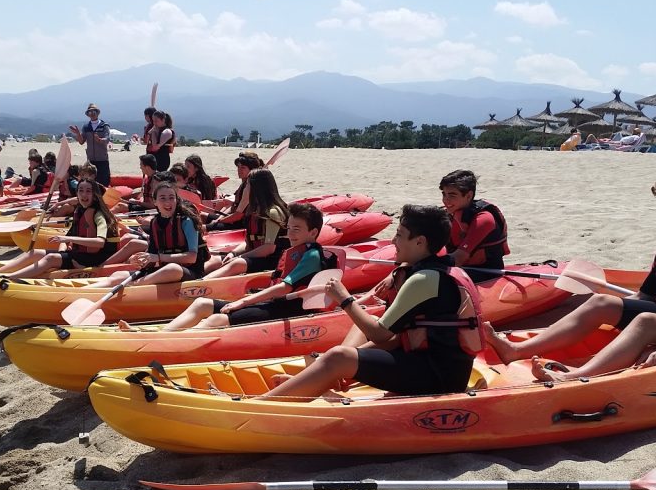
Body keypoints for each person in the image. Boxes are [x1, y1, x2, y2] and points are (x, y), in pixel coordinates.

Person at [485, 160, 656, 382]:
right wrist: (613, 315)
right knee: (602, 302)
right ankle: (516, 350)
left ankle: (574, 377)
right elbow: (645, 296)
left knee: (647, 322)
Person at [259, 204, 484, 400]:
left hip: (439, 377)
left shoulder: (424, 279)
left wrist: (345, 299)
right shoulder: (432, 271)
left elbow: (380, 335)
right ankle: (327, 376)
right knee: (347, 346)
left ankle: (261, 405)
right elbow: (395, 338)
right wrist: (339, 363)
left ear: (419, 242)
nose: (393, 241)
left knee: (339, 356)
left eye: (399, 235)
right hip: (428, 364)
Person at [163, 203, 337, 331]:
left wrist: (243, 301)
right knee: (202, 303)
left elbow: (284, 288)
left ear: (313, 232)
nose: (290, 234)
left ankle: (169, 345)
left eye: (296, 229)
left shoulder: (312, 255)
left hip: (286, 310)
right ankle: (164, 335)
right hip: (273, 303)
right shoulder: (296, 250)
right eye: (289, 228)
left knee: (218, 319)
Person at [0, 177, 120, 279]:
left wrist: (66, 241)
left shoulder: (99, 214)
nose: (84, 194)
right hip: (81, 253)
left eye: (88, 191)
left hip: (96, 258)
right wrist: (63, 250)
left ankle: (8, 277)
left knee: (50, 258)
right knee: (35, 252)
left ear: (94, 195)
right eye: (81, 190)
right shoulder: (80, 210)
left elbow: (100, 242)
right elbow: (69, 235)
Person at [96, 182, 209, 288]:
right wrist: (141, 261)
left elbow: (192, 258)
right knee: (118, 275)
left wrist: (159, 257)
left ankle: (133, 286)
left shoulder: (187, 221)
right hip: (163, 269)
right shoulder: (155, 223)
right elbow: (152, 255)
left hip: (188, 272)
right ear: (155, 202)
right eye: (162, 198)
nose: (168, 202)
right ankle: (88, 292)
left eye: (171, 198)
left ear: (176, 200)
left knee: (173, 269)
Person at [204, 168, 289, 277]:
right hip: (253, 255)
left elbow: (268, 248)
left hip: (272, 259)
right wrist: (233, 253)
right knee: (214, 261)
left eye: (247, 185)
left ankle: (199, 284)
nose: (245, 188)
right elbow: (249, 241)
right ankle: (193, 277)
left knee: (237, 264)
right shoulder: (253, 211)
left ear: (256, 188)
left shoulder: (272, 212)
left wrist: (240, 257)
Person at [439, 170, 509, 282]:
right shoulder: (447, 214)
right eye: (444, 194)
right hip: (461, 269)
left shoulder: (484, 219)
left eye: (452, 195)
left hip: (485, 273)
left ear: (468, 196)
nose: (445, 200)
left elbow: (459, 258)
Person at [205, 151, 264, 231]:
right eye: (238, 167)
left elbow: (238, 216)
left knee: (203, 228)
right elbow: (234, 205)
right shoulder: (244, 184)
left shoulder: (250, 187)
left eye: (243, 167)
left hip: (241, 225)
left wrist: (218, 221)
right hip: (234, 219)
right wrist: (219, 218)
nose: (239, 170)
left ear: (252, 169)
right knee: (202, 215)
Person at [69, 103, 111, 188]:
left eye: (94, 111)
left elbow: (107, 139)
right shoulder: (86, 127)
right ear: (88, 114)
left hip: (102, 159)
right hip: (91, 160)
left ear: (97, 113)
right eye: (90, 112)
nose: (92, 113)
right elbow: (81, 141)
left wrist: (100, 140)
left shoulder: (104, 126)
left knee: (104, 182)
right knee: (91, 183)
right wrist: (78, 134)